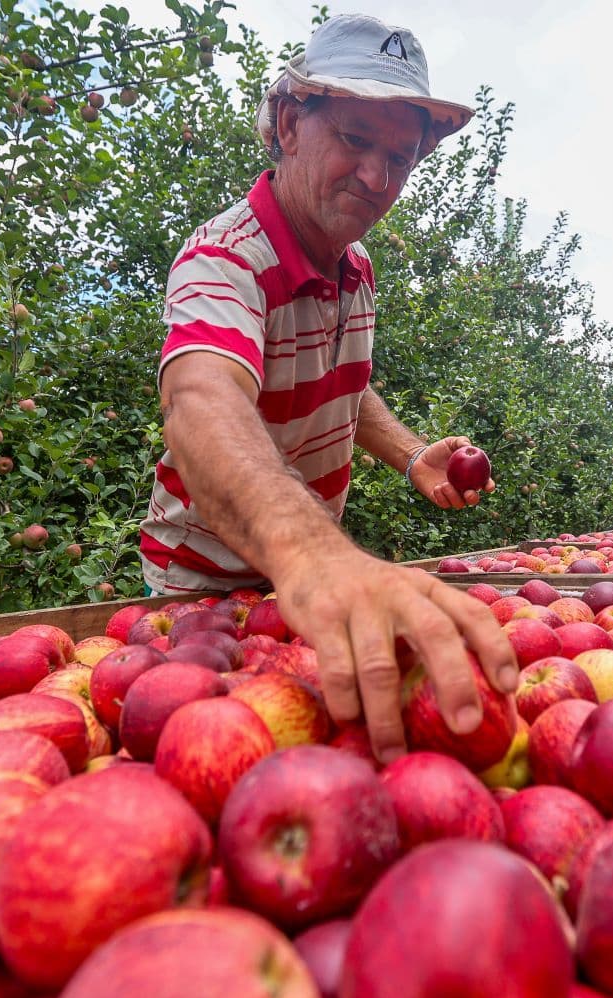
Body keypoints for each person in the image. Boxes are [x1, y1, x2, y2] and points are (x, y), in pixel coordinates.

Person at [138, 14, 516, 763]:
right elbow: (201, 403)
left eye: (399, 158)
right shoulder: (224, 261)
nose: (378, 179)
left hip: (304, 582)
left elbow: (343, 383)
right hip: (200, 597)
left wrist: (412, 456)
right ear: (288, 124)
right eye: (355, 140)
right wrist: (315, 554)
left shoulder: (355, 266)